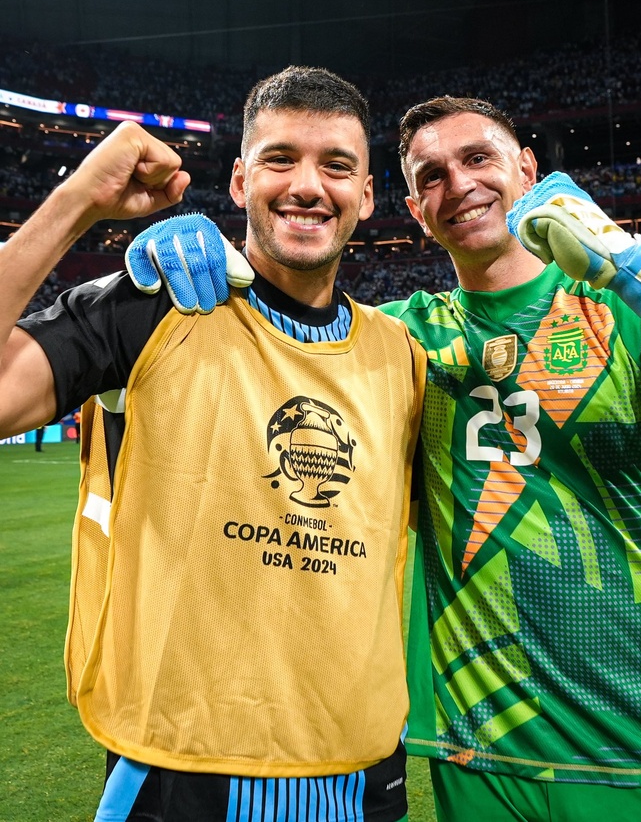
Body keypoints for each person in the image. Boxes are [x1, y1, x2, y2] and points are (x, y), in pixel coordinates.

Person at [128, 95, 641, 822]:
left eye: (478, 158)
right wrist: (199, 271)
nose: (460, 184)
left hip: (640, 746)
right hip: (477, 754)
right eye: (432, 177)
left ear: (527, 169)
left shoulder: (620, 311)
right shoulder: (397, 339)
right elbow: (270, 366)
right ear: (417, 210)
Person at [0, 66, 426, 822]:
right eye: (279, 159)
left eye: (335, 166)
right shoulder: (152, 304)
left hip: (362, 771)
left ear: (366, 196)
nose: (307, 185)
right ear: (238, 181)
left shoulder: (402, 357)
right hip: (180, 771)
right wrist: (78, 202)